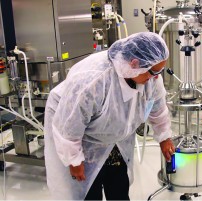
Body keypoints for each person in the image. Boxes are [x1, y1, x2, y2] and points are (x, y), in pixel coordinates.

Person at [44, 32, 175, 200]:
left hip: (113, 133)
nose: (156, 77)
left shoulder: (149, 77)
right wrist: (74, 160)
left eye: (159, 72)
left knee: (118, 183)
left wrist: (164, 137)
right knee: (89, 188)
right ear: (135, 64)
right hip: (79, 133)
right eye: (153, 72)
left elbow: (157, 107)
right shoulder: (93, 81)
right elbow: (69, 125)